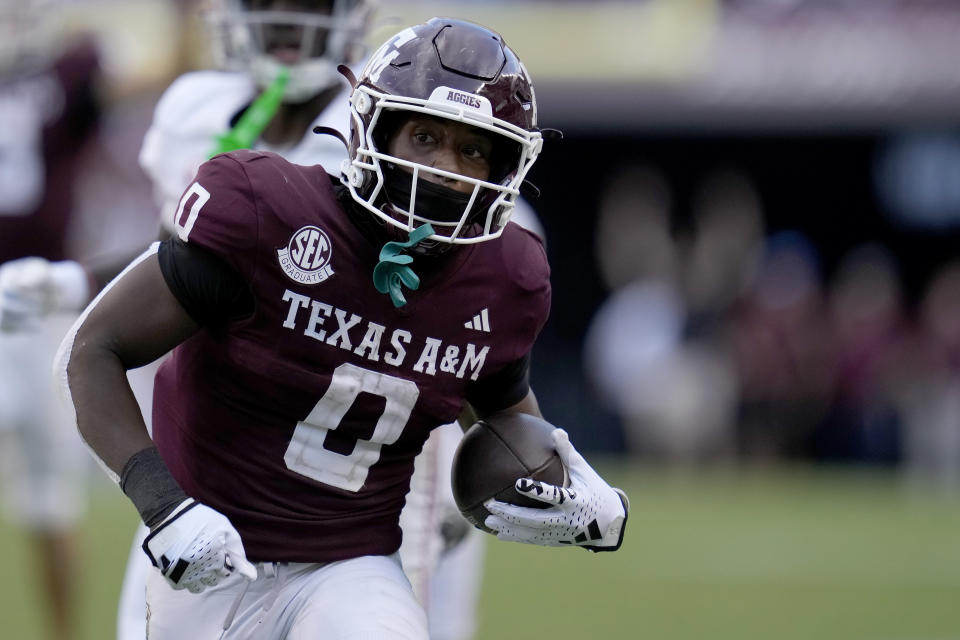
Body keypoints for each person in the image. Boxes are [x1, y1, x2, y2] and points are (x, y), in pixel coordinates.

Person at [54, 17, 629, 639]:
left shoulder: (504, 276)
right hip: (209, 548)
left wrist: (572, 482)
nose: (445, 167)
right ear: (372, 130)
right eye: (425, 136)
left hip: (352, 566)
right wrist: (164, 507)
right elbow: (92, 350)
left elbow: (503, 417)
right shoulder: (265, 213)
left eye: (472, 149)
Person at [0, 5, 102, 639]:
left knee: (50, 497)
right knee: (49, 494)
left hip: (40, 298)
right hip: (41, 300)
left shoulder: (70, 69)